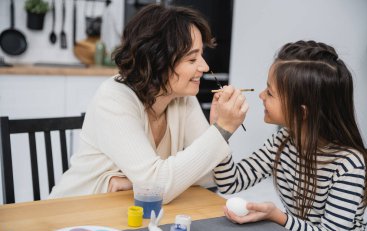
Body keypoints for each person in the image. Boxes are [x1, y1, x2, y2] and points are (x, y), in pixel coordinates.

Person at [49, 4, 249, 203]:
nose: (204, 66)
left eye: (201, 55)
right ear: (158, 61)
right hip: (74, 213)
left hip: (128, 216)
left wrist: (217, 128)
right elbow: (156, 188)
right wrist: (221, 130)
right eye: (192, 59)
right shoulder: (114, 98)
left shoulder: (183, 99)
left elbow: (211, 176)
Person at [212, 40, 367, 231]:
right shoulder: (284, 141)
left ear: (302, 112)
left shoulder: (348, 165)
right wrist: (220, 130)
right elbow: (229, 183)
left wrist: (277, 216)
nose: (261, 96)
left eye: (270, 93)